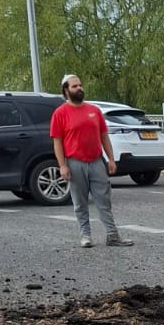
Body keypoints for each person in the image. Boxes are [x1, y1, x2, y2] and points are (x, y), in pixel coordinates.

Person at [50, 74, 132, 250]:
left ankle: (112, 235)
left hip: (96, 162)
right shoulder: (60, 113)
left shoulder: (94, 111)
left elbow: (104, 136)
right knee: (80, 202)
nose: (79, 88)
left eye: (80, 85)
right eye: (74, 86)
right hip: (74, 162)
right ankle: (85, 235)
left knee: (103, 199)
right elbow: (57, 141)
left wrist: (110, 159)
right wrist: (62, 165)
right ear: (66, 90)